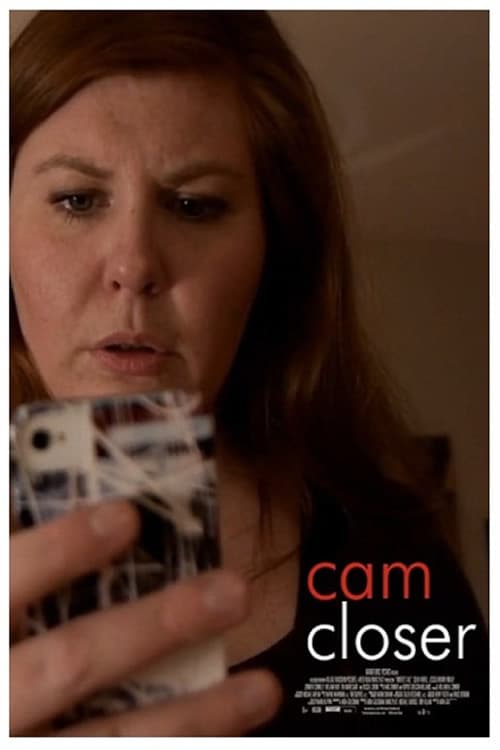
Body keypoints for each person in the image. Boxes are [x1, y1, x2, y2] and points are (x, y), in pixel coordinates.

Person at [10, 10, 488, 737]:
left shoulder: (394, 570)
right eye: (76, 200)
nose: (134, 265)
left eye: (193, 205)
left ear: (276, 252)